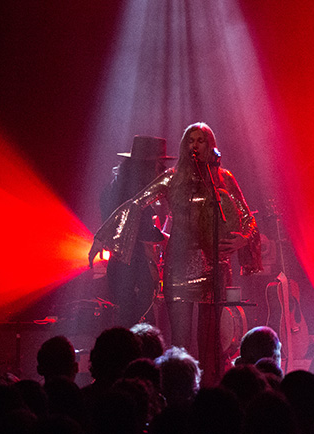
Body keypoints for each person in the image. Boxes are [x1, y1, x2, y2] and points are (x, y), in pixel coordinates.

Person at [90, 122, 262, 376]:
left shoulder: (224, 178)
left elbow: (248, 218)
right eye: (190, 140)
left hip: (213, 264)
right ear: (184, 146)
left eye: (201, 140)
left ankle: (209, 392)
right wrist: (105, 236)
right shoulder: (172, 178)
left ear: (210, 145)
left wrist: (242, 240)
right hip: (179, 264)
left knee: (212, 341)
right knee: (180, 340)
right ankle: (178, 392)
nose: (195, 145)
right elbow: (137, 203)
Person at [99, 135, 173, 327]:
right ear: (147, 166)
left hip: (119, 266)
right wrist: (168, 238)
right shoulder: (134, 196)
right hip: (135, 268)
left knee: (125, 322)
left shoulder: (114, 188)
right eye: (159, 165)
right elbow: (142, 232)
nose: (162, 171)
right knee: (142, 326)